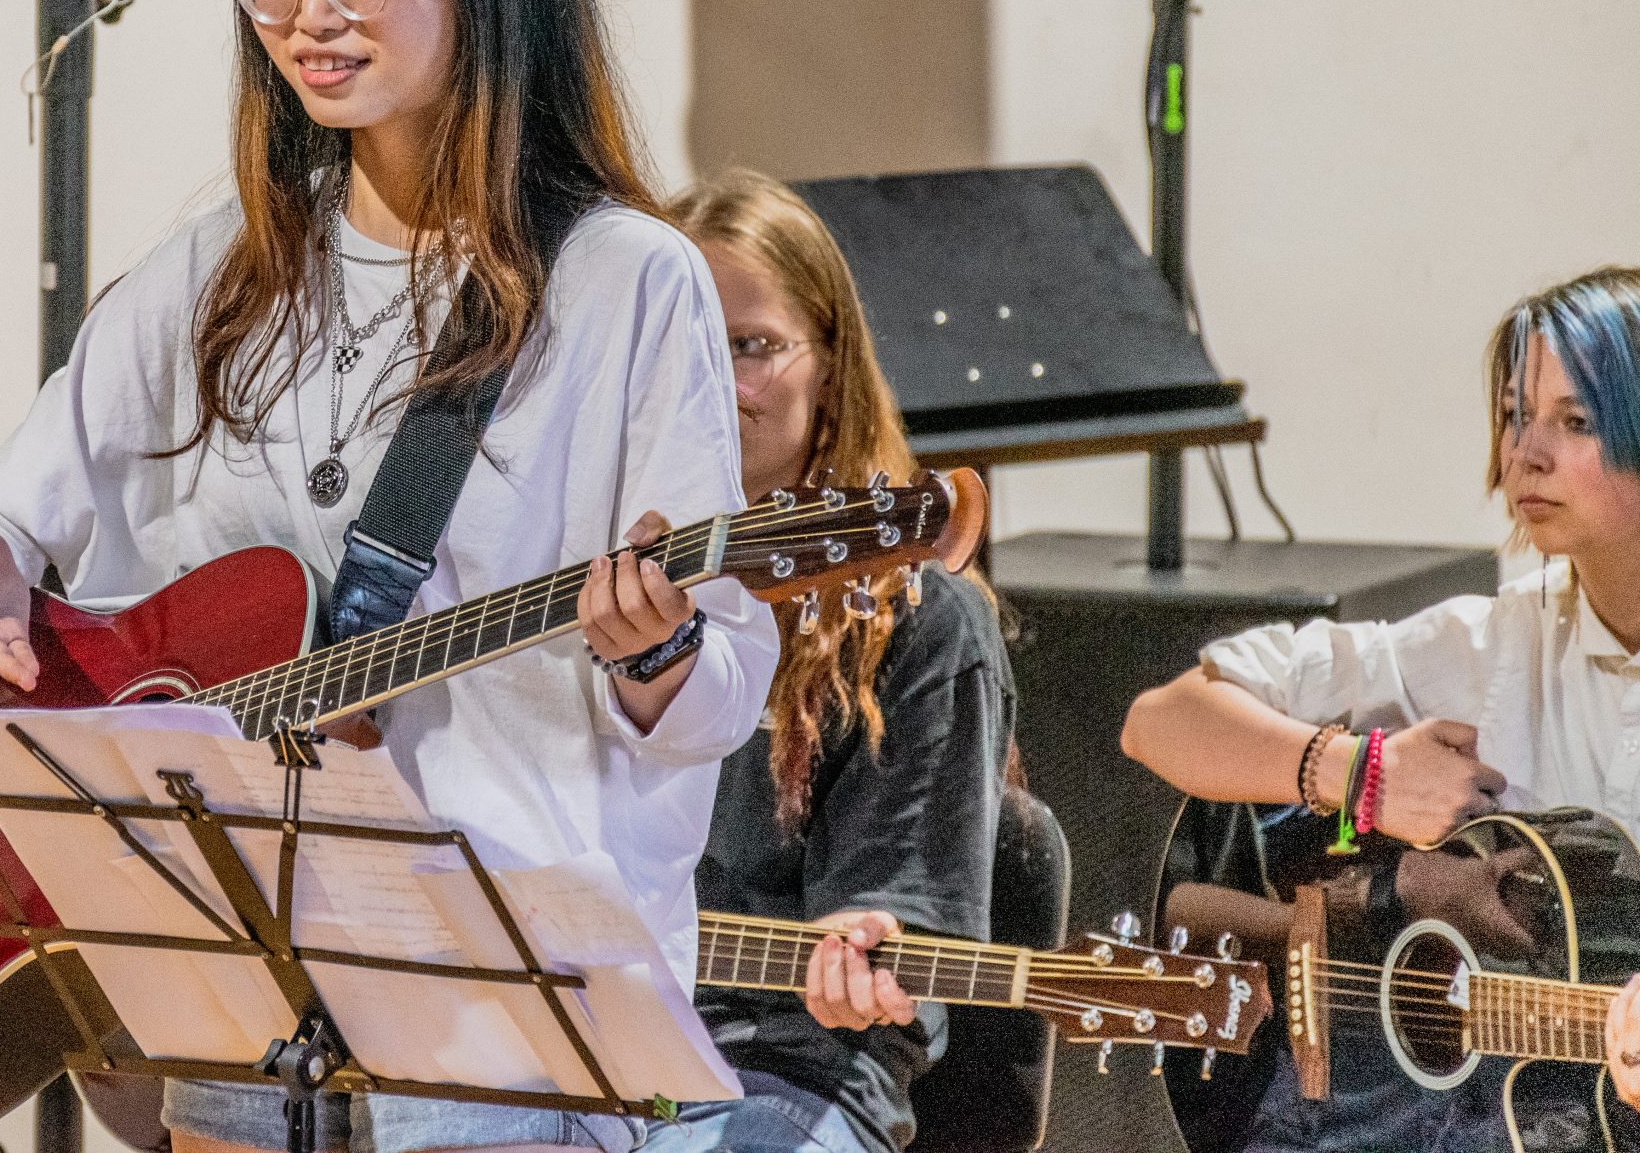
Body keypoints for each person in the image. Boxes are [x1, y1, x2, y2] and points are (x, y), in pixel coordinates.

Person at [0, 0, 781, 1153]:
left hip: (504, 1016)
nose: (306, 10)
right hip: (244, 983)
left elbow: (721, 682)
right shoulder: (222, 268)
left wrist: (655, 651)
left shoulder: (624, 280)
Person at [1124, 267, 1640, 1146]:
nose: (1525, 453)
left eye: (1577, 421)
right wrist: (1359, 773)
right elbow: (1161, 720)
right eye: (1514, 415)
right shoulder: (1492, 644)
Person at [658, 171, 1016, 1153]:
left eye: (751, 346)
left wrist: (868, 955)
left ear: (832, 365)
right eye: (684, 345)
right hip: (579, 1050)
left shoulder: (921, 621)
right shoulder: (587, 576)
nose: (716, 382)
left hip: (783, 1074)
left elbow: (895, 924)